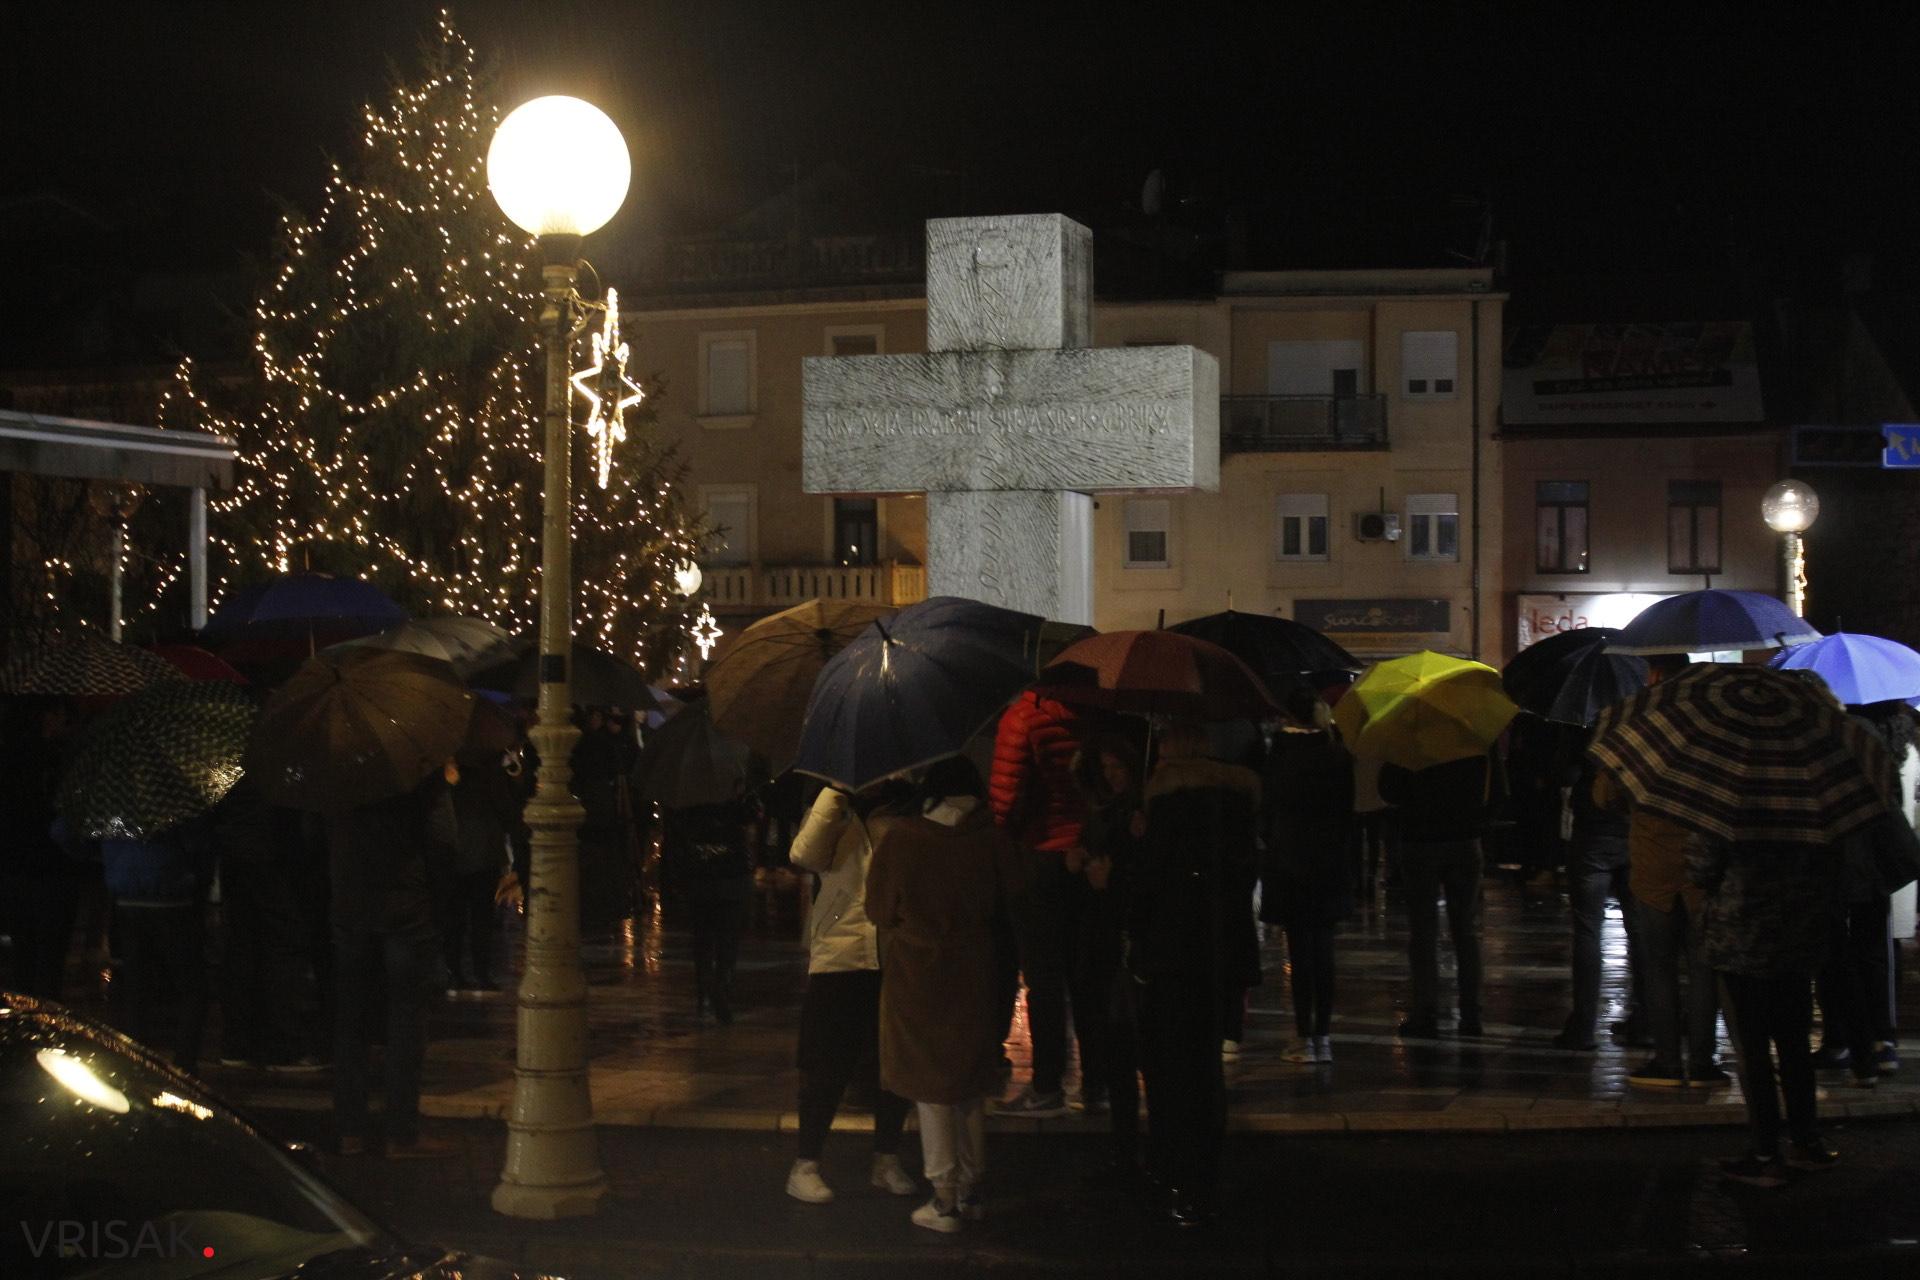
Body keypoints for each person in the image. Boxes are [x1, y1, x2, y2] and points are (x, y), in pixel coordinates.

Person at [867, 757, 1030, 1234]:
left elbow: (878, 908)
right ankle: (973, 1186)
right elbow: (1014, 894)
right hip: (977, 967)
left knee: (930, 1084)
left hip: (918, 971)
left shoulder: (905, 837)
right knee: (969, 1081)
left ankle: (944, 1198)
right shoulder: (991, 835)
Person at [1127, 721, 1260, 1227]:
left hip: (1171, 955)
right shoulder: (1236, 802)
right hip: (1221, 954)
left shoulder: (1167, 807)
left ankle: (1173, 1170)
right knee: (1204, 1069)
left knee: (1166, 1067)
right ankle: (1200, 1176)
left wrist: (1139, 841)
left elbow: (1149, 891)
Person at [783, 781, 918, 1205]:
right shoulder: (831, 807)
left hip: (893, 951)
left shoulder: (905, 808)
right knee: (827, 1063)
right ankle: (805, 1164)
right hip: (840, 953)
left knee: (889, 1062)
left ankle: (886, 1158)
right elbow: (803, 855)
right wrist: (834, 795)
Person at [1598, 655, 1724, 1088]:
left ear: (1654, 676)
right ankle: (1704, 1060)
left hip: (1653, 870)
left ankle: (1668, 1060)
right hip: (1701, 868)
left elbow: (1604, 794)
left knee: (1659, 967)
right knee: (1705, 967)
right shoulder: (1714, 727)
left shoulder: (1637, 725)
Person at [325, 766, 458, 1158]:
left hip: (351, 904)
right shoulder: (418, 771)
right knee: (406, 1017)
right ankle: (401, 1132)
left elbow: (315, 835)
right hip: (405, 906)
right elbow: (444, 841)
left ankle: (350, 1128)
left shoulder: (338, 773)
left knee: (350, 1017)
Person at [988, 690, 1096, 1117]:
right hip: (1085, 854)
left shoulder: (1023, 718)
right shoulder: (1094, 715)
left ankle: (1048, 1084)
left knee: (1044, 977)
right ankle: (1097, 1081)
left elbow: (1007, 797)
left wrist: (1004, 836)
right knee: (1086, 975)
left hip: (1038, 855)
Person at [1378, 749, 1503, 1038]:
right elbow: (1497, 792)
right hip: (1465, 840)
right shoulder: (1476, 734)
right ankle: (1471, 1013)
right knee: (1466, 931)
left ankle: (1425, 1011)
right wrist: (1476, 820)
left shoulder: (1409, 732)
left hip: (1420, 840)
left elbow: (1388, 789)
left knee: (1423, 930)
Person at [1260, 688, 1356, 1064]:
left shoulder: (1281, 755)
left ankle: (1304, 1037)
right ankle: (1324, 1035)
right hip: (1329, 863)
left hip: (1290, 864)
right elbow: (1349, 813)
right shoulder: (1337, 753)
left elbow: (1268, 811)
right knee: (1324, 950)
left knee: (1300, 952)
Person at [1072, 732, 1147, 1175]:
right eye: (1106, 768)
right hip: (1100, 934)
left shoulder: (1139, 813)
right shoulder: (1105, 807)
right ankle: (1121, 1139)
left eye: (1118, 767)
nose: (1111, 774)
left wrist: (1107, 881)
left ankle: (1128, 1146)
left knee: (1124, 1040)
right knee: (1111, 1036)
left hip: (1119, 940)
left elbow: (1140, 880)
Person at [213, 774, 314, 1070]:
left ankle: (237, 1042)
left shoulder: (228, 752)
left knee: (241, 943)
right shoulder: (277, 754)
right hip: (272, 851)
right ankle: (284, 1045)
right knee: (283, 944)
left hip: (235, 848)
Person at [100, 817, 216, 1074]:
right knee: (191, 985)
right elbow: (197, 841)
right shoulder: (168, 795)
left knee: (135, 986)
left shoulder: (110, 794)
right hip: (171, 894)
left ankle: (137, 1061)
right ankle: (185, 1064)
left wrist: (108, 859)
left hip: (127, 897)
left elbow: (65, 831)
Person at [1555, 750, 1645, 1052]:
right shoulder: (1644, 723)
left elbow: (1565, 774)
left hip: (1593, 835)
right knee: (1639, 930)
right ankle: (1645, 1020)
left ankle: (1583, 1025)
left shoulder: (1588, 729)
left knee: (1587, 929)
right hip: (1633, 832)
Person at [0, 696, 83, 999]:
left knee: (24, 952)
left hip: (14, 866)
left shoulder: (9, 754)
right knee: (50, 956)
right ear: (50, 715)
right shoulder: (58, 760)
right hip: (53, 869)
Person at [660, 792, 756, 1024]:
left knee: (702, 940)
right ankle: (721, 987)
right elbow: (751, 816)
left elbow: (674, 840)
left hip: (699, 878)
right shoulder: (734, 791)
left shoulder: (683, 798)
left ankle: (707, 988)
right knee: (727, 940)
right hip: (730, 876)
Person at [443, 752, 520, 991]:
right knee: (481, 917)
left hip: (452, 853)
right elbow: (507, 812)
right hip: (484, 854)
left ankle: (454, 972)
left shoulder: (443, 772)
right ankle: (481, 973)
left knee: (453, 918)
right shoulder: (490, 772)